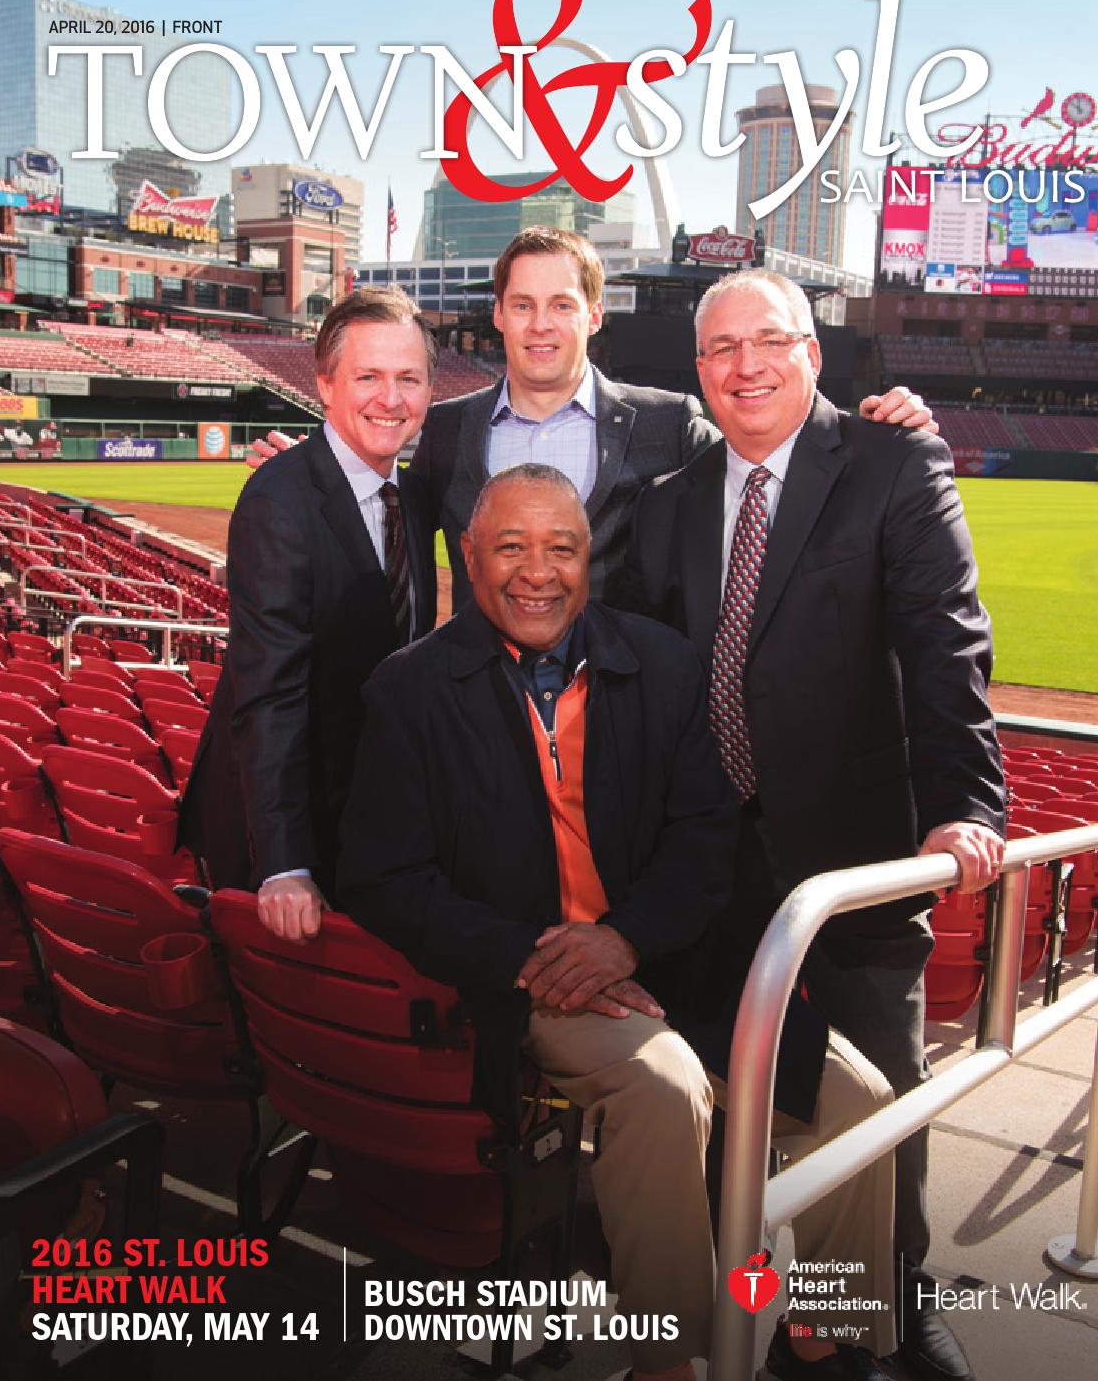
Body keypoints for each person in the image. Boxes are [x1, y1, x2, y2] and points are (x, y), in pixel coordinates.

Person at [339, 464, 899, 1381]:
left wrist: (627, 938)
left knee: (858, 1101)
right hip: (530, 982)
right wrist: (533, 956)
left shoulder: (660, 661)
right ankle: (670, 1359)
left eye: (562, 548)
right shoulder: (410, 689)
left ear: (589, 561)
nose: (538, 571)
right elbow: (386, 877)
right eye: (511, 547)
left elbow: (703, 833)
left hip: (666, 956)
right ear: (469, 558)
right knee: (667, 1087)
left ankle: (824, 1339)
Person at [621, 271, 1007, 1381]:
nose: (746, 365)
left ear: (813, 352)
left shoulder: (892, 462)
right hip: (711, 867)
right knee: (728, 1101)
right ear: (696, 371)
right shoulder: (670, 499)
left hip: (856, 859)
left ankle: (882, 1304)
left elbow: (949, 644)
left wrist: (966, 807)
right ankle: (751, 1302)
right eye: (721, 348)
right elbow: (651, 682)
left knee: (883, 1102)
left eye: (770, 341)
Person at [248, 226, 935, 608]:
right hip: (479, 717)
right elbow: (380, 510)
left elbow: (770, 433)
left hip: (620, 722)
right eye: (523, 305)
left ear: (595, 315)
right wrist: (312, 475)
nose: (541, 325)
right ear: (499, 315)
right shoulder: (450, 430)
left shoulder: (670, 424)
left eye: (562, 305)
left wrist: (869, 424)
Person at [178, 288, 436, 940]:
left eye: (409, 378)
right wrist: (284, 862)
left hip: (363, 803)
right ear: (324, 384)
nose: (391, 398)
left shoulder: (414, 492)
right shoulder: (279, 504)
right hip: (289, 824)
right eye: (368, 377)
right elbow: (270, 696)